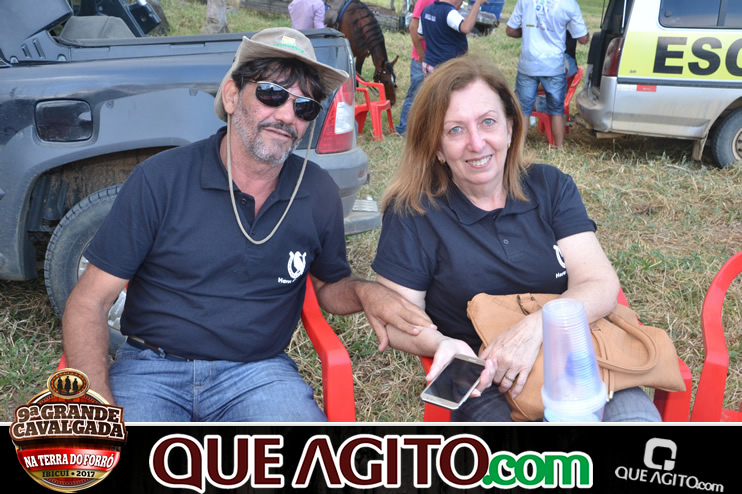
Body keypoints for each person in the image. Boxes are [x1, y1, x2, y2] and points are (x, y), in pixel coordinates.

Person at [62, 27, 433, 422]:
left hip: (258, 373)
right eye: (272, 94)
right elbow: (89, 302)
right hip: (152, 367)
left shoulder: (317, 191)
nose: (287, 115)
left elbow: (328, 287)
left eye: (305, 106)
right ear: (232, 96)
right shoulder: (161, 179)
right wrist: (95, 404)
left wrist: (364, 292)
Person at [371, 56, 662, 422]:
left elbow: (600, 283)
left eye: (488, 122)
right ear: (437, 148)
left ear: (510, 127)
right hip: (479, 371)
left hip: (576, 351)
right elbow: (398, 318)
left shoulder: (550, 185)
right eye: (455, 130)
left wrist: (537, 328)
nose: (477, 143)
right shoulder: (412, 211)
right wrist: (442, 343)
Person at [506, 0, 588, 148]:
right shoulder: (570, 4)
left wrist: (528, 32)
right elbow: (583, 38)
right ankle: (559, 148)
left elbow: (510, 30)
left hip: (528, 64)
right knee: (556, 111)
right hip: (554, 65)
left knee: (524, 110)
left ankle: (518, 149)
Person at [418, 0, 489, 77]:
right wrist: (477, 4)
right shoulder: (449, 12)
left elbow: (420, 35)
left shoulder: (426, 10)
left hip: (429, 65)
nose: (461, 3)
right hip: (447, 68)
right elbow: (466, 28)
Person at [395, 0, 435, 136]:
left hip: (436, 57)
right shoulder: (424, 1)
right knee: (415, 94)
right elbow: (413, 27)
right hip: (422, 57)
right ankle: (404, 129)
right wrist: (420, 53)